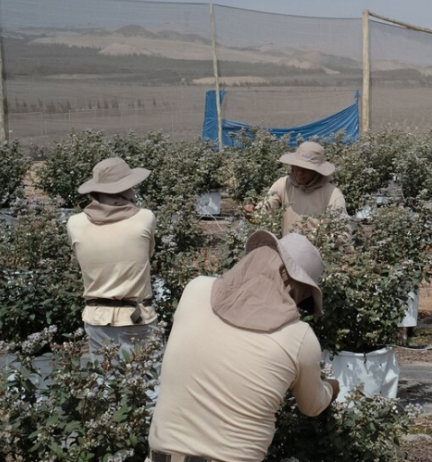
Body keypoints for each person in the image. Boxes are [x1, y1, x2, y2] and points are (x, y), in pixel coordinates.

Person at [148, 230, 339, 462]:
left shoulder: (195, 290)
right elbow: (312, 405)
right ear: (300, 291)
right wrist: (331, 388)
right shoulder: (299, 338)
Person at [67, 157, 158, 357]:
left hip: (97, 317)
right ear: (126, 189)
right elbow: (148, 254)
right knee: (147, 381)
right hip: (138, 317)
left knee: (103, 380)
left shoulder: (75, 223)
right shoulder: (145, 218)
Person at [244, 141, 347, 236]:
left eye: (306, 169)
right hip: (287, 252)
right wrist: (252, 214)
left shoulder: (332, 195)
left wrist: (318, 238)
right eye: (297, 166)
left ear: (317, 171)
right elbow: (264, 212)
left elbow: (343, 235)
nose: (300, 172)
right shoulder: (284, 184)